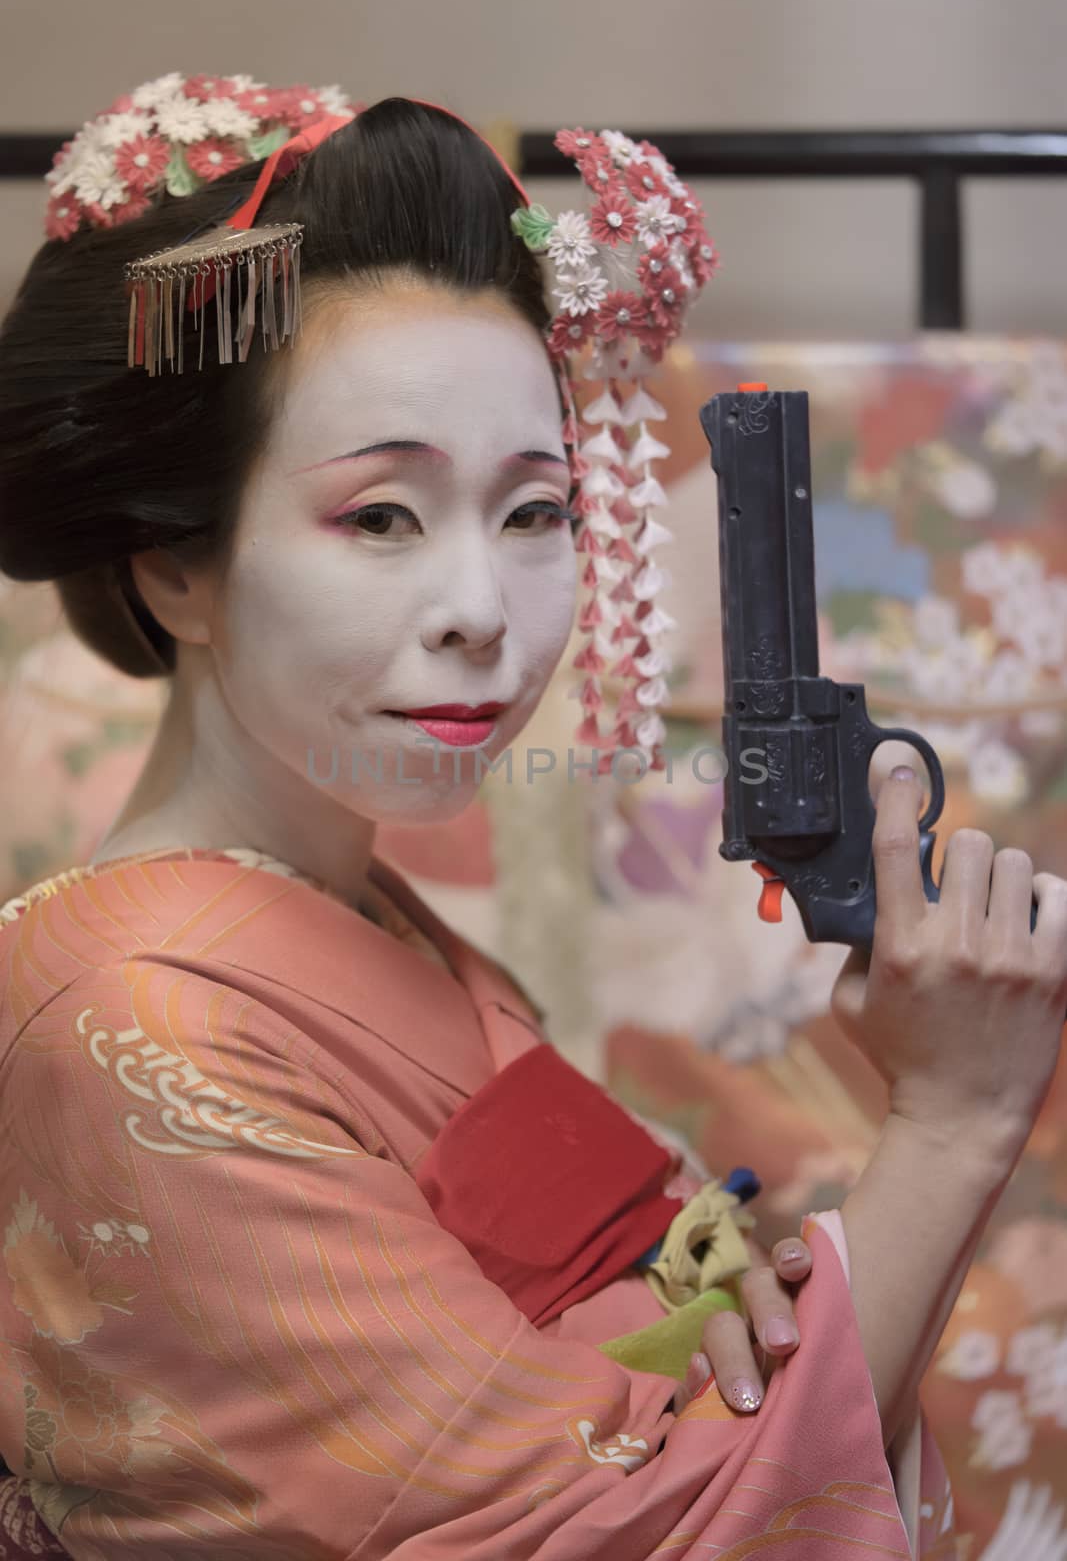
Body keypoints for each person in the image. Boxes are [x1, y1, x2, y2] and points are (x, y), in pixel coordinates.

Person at [0, 75, 1064, 1561]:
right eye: (380, 515)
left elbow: (673, 1367)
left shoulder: (360, 927)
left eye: (535, 511)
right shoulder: (129, 1034)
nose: (484, 616)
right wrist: (953, 1122)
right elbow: (613, 1534)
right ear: (172, 566)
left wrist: (720, 1310)